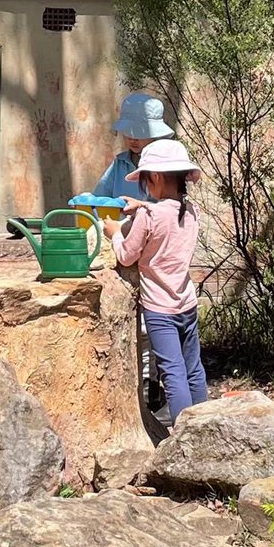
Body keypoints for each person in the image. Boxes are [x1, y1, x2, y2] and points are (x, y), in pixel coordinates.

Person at [103, 139, 207, 424]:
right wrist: (143, 207)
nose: (145, 187)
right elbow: (167, 214)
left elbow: (127, 256)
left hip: (160, 312)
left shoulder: (149, 216)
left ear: (157, 177)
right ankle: (205, 424)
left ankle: (184, 432)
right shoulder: (192, 211)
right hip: (187, 304)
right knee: (193, 368)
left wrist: (114, 232)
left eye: (146, 180)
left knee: (172, 372)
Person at [93, 93, 175, 203]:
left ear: (154, 134)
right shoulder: (120, 163)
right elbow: (100, 196)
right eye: (128, 133)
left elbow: (169, 206)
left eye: (140, 134)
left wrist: (140, 206)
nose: (133, 139)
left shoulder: (164, 164)